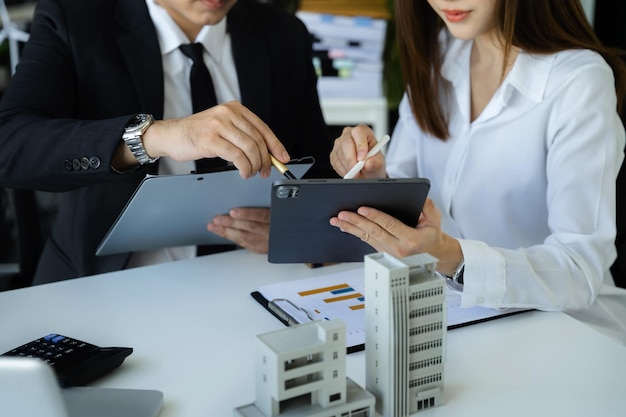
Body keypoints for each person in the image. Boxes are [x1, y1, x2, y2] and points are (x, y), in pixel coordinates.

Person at [329, 0, 626, 341]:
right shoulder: (440, 53)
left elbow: (578, 271)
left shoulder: (579, 81)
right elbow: (410, 196)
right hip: (459, 320)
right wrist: (373, 178)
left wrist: (452, 257)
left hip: (567, 331)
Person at [0, 0, 335, 284]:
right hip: (106, 285)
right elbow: (9, 145)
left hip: (251, 278)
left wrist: (293, 228)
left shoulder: (283, 34)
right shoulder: (74, 18)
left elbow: (312, 169)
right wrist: (152, 137)